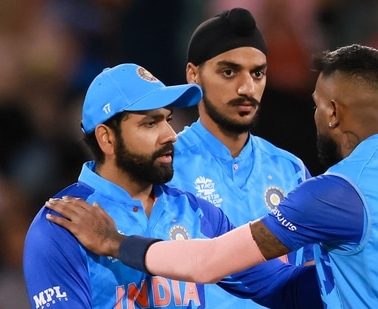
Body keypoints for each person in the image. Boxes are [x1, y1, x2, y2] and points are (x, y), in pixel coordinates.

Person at [45, 44, 378, 308]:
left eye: (316, 105)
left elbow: (207, 263)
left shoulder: (337, 192)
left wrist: (115, 243)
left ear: (332, 112)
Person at [23, 63, 321, 308]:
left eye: (168, 119)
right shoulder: (61, 225)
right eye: (150, 124)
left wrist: (354, 273)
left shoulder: (200, 213)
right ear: (107, 138)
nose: (171, 134)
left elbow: (280, 286)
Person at [169, 7, 314, 308]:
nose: (247, 88)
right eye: (229, 71)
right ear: (193, 75)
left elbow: (311, 274)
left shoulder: (291, 170)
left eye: (257, 73)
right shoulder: (165, 167)